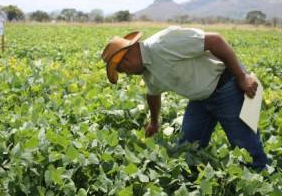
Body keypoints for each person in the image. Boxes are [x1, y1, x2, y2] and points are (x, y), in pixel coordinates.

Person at [101, 26, 268, 169]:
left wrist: (242, 77)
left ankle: (258, 176)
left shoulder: (163, 43)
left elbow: (215, 40)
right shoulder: (146, 70)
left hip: (226, 87)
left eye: (123, 70)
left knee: (246, 147)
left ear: (128, 58)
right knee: (187, 147)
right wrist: (154, 122)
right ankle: (197, 177)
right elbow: (153, 93)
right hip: (199, 101)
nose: (128, 74)